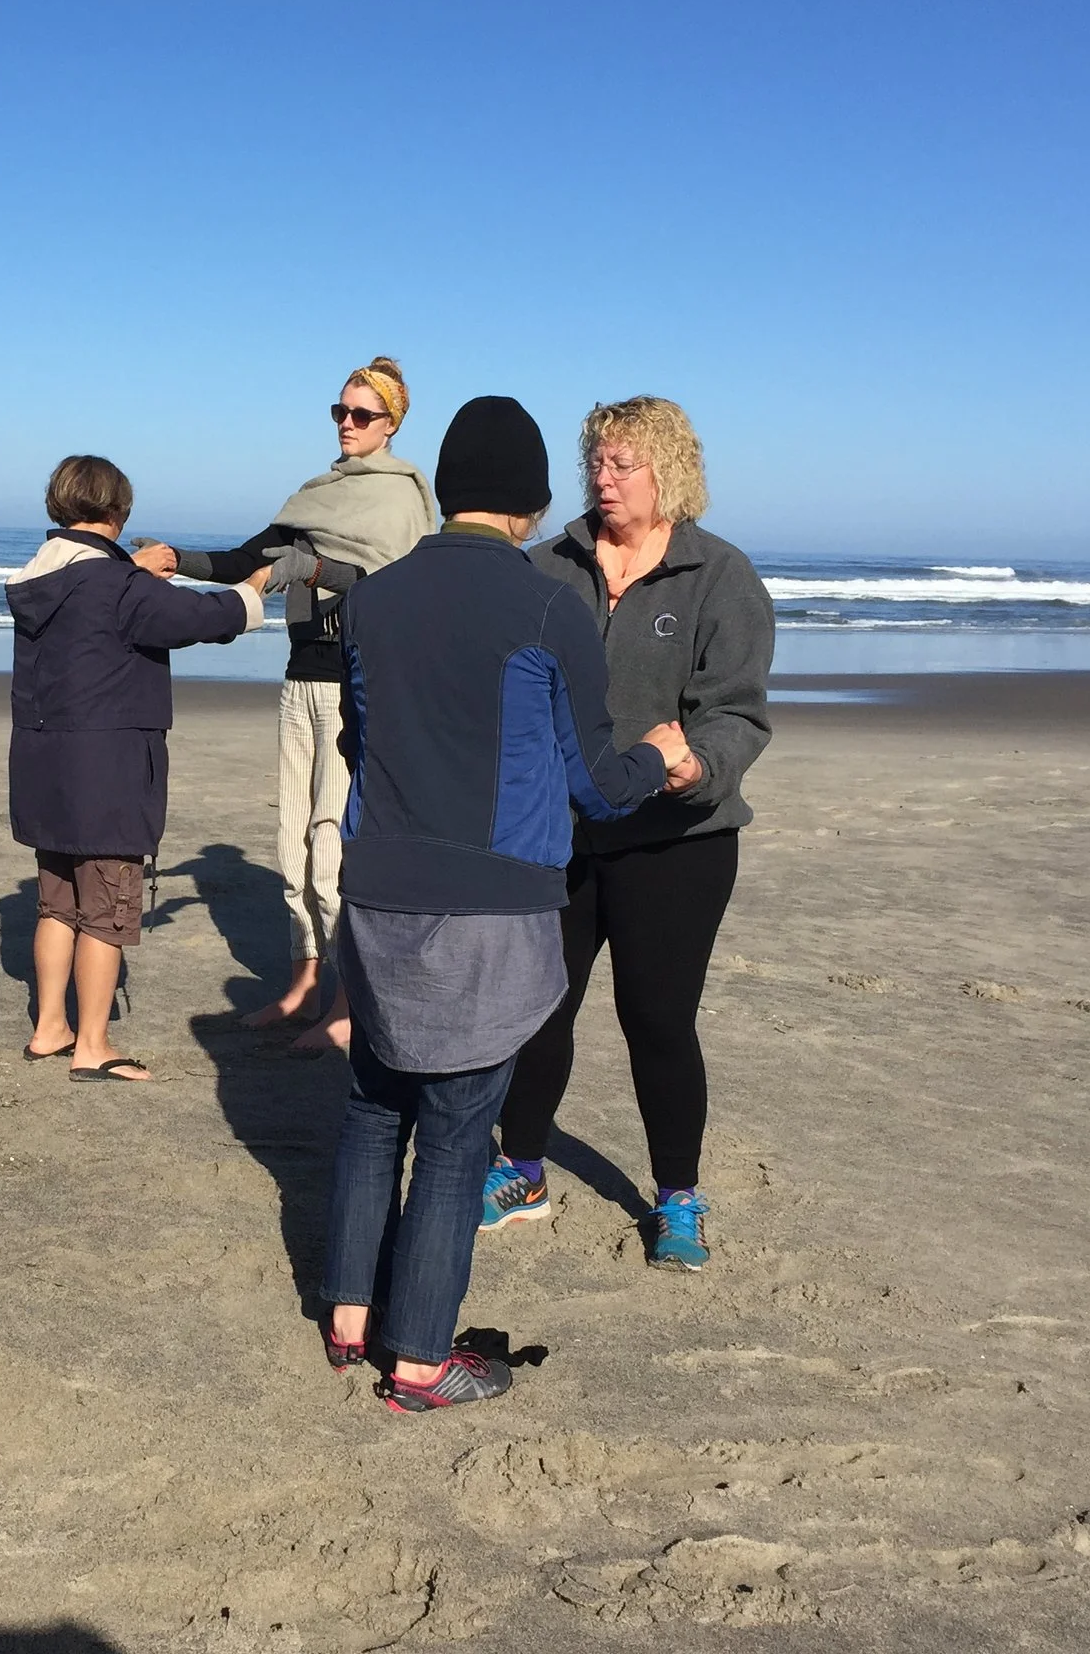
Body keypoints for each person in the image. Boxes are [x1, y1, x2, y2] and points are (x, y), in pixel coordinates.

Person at [317, 397, 690, 1411]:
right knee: (451, 1132)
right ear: (530, 502)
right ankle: (421, 1360)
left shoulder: (374, 599)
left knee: (371, 1102)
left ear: (448, 488)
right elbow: (592, 779)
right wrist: (659, 759)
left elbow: (360, 739)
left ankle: (349, 1317)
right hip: (486, 903)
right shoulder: (544, 606)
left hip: (378, 890)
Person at [482, 396, 774, 1272]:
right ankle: (523, 1168)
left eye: (623, 466)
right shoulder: (546, 567)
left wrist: (698, 764)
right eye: (597, 465)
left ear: (669, 472)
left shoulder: (719, 576)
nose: (604, 481)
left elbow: (738, 714)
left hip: (675, 839)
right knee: (541, 1008)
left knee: (657, 1018)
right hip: (559, 834)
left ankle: (677, 1194)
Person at [132, 358, 433, 1053]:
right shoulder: (317, 494)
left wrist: (310, 569)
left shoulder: (399, 500)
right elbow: (246, 559)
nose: (348, 424)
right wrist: (172, 555)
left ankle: (346, 1003)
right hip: (299, 679)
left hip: (353, 687)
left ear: (390, 424)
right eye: (340, 411)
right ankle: (302, 984)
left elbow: (391, 588)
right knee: (291, 841)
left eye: (362, 415)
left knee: (332, 848)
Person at [6, 454, 263, 1082]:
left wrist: (131, 569)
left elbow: (100, 584)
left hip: (45, 768)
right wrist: (251, 594)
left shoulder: (40, 578)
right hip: (108, 772)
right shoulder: (119, 586)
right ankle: (93, 1043)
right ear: (118, 514)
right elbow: (199, 619)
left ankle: (49, 1027)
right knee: (106, 910)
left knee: (57, 903)